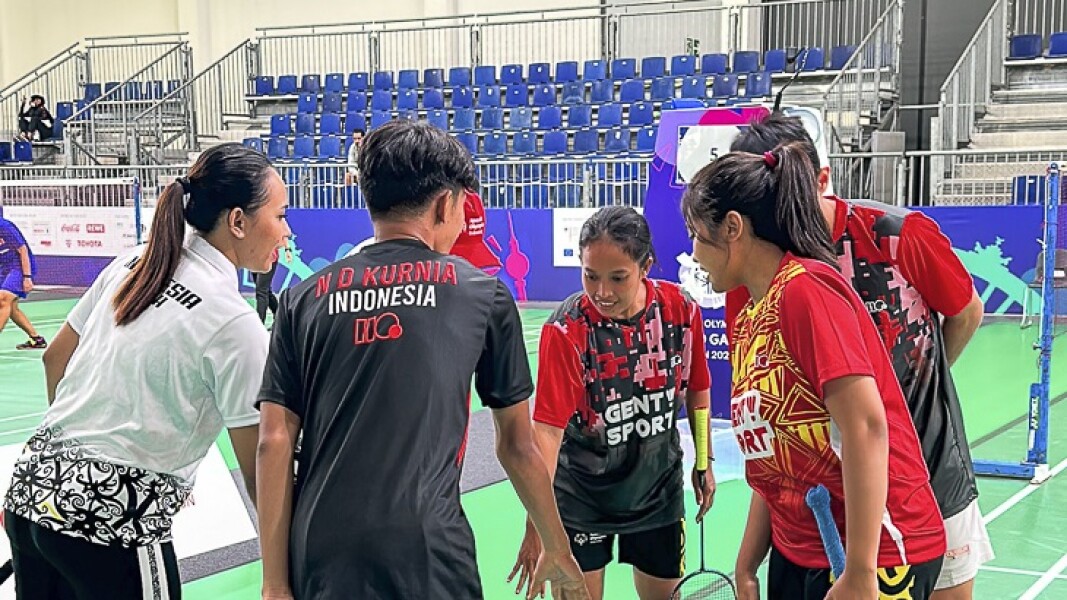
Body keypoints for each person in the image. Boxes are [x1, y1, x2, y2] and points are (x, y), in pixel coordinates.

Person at [255, 120, 588, 600]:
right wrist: (557, 546)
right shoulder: (483, 296)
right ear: (445, 204)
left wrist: (273, 583)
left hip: (322, 552)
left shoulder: (302, 300)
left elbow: (274, 441)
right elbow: (517, 445)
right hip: (429, 552)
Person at [2, 143, 290, 599]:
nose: (286, 232)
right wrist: (280, 578)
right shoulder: (233, 322)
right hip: (113, 521)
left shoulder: (131, 263)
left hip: (31, 492)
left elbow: (54, 359)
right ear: (237, 221)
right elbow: (262, 464)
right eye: (280, 216)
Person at [727, 114, 990, 600]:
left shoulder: (895, 234)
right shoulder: (755, 281)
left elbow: (966, 311)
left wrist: (903, 399)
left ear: (821, 179)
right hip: (825, 502)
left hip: (929, 473)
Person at [682, 144, 947, 600]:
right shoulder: (750, 316)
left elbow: (866, 427)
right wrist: (747, 564)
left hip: (872, 550)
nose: (694, 252)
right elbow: (777, 454)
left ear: (732, 229)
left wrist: (861, 572)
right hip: (800, 548)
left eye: (697, 235)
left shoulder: (807, 291)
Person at [509, 206, 715, 600]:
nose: (602, 292)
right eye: (590, 276)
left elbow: (698, 391)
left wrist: (703, 462)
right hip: (581, 497)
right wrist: (537, 523)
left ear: (646, 267)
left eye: (617, 278)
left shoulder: (681, 311)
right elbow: (548, 434)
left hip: (658, 494)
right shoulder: (566, 329)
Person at [0, 215, 47, 349]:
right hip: (4, 268)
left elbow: (23, 250)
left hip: (19, 267)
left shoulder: (4, 226)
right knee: (12, 307)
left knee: (3, 299)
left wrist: (27, 276)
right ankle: (36, 339)